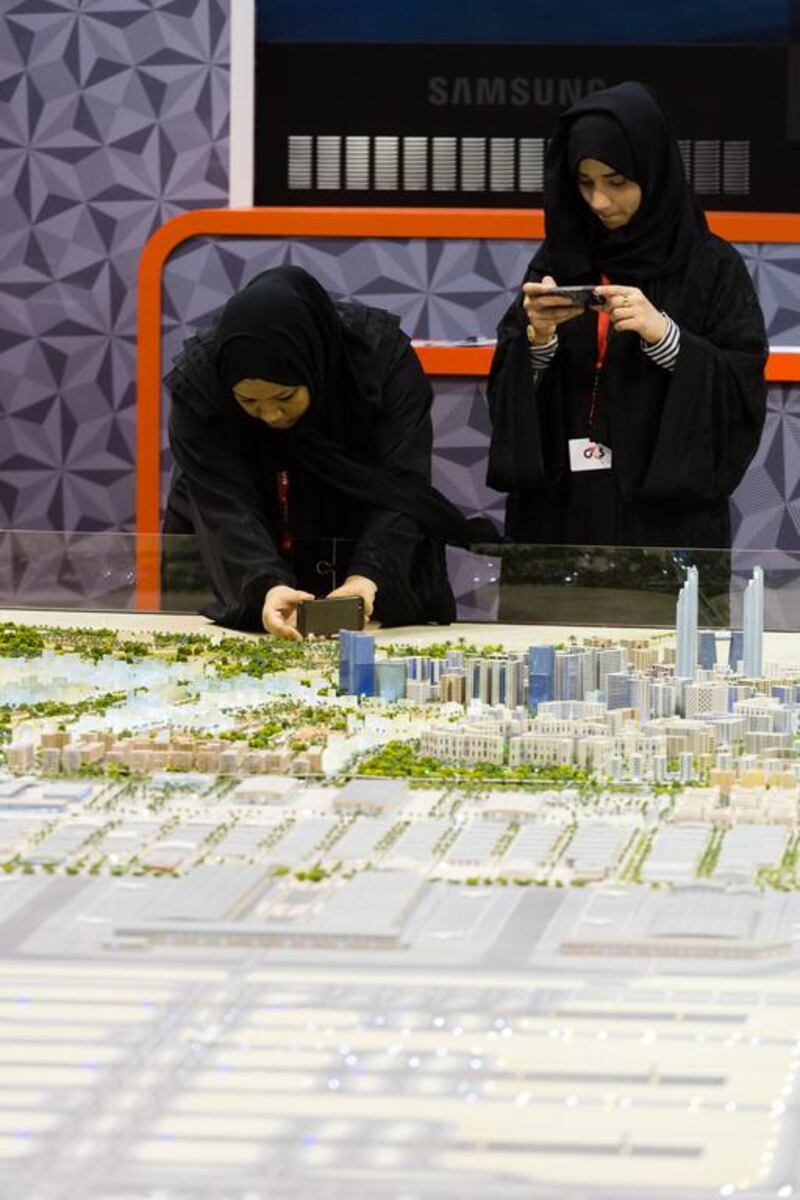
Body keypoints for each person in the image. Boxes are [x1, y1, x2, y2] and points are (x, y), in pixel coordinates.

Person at [486, 81, 768, 550]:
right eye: (585, 183)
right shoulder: (558, 259)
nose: (599, 202)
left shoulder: (710, 265)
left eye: (617, 183)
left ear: (652, 172)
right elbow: (506, 396)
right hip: (558, 518)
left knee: (664, 628)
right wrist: (538, 340)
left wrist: (666, 339)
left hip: (665, 526)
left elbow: (741, 388)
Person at [163, 265, 496, 637]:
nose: (270, 415)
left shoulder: (379, 361)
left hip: (369, 539)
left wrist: (367, 578)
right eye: (249, 402)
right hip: (238, 553)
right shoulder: (202, 386)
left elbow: (402, 485)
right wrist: (264, 586)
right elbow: (224, 505)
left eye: (285, 397)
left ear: (313, 368)